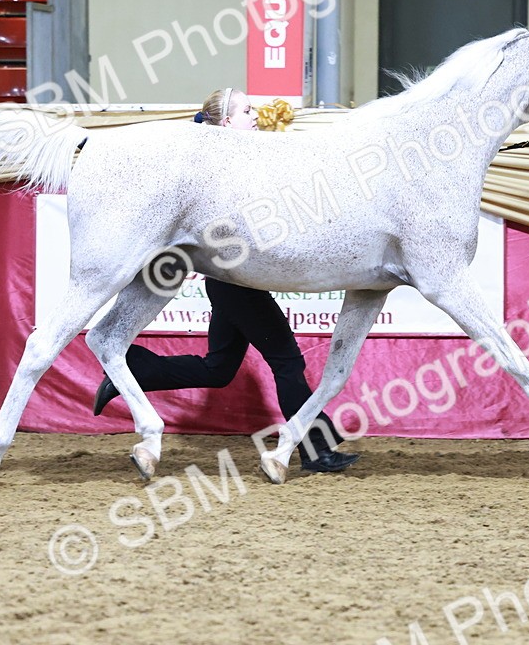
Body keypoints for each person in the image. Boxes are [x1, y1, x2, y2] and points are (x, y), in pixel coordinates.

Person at [93, 88, 361, 474]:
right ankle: (317, 450)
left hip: (231, 280)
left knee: (217, 369)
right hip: (237, 281)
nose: (256, 115)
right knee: (286, 361)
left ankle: (130, 370)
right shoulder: (228, 164)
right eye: (247, 111)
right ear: (226, 123)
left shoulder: (243, 158)